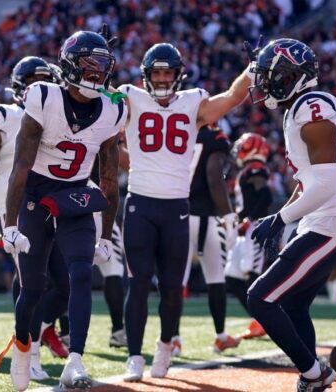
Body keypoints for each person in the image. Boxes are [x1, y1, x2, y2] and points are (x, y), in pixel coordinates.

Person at [0, 31, 125, 391]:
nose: (97, 75)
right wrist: (10, 224)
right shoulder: (43, 96)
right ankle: (22, 349)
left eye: (102, 67)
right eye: (89, 66)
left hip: (77, 194)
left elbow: (109, 177)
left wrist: (107, 235)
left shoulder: (114, 108)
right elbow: (20, 166)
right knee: (33, 287)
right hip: (36, 192)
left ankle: (75, 361)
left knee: (81, 274)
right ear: (69, 65)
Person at [244, 38, 336, 392]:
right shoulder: (299, 108)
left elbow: (327, 185)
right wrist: (288, 224)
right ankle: (315, 375)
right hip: (322, 222)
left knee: (261, 297)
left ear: (293, 77)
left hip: (335, 223)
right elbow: (308, 183)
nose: (263, 83)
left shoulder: (313, 108)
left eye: (271, 75)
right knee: (292, 304)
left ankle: (313, 374)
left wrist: (281, 220)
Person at [118, 42, 252, 382]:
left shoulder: (195, 102)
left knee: (172, 287)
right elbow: (95, 99)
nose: (162, 79)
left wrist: (252, 70)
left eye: (168, 72)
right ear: (146, 75)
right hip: (140, 203)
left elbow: (233, 97)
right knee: (138, 283)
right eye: (157, 72)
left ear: (178, 75)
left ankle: (165, 345)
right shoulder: (129, 97)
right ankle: (135, 355)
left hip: (177, 207)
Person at [0, 56, 68, 381]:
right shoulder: (7, 114)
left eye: (43, 81)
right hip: (17, 203)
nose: (39, 87)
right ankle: (28, 352)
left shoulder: (60, 114)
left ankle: (37, 332)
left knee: (66, 286)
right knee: (34, 283)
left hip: (52, 203)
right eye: (33, 81)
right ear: (20, 87)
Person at [172, 124, 241, 356]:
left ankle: (173, 338)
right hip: (205, 216)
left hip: (178, 213)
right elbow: (214, 177)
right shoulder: (215, 137)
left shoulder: (178, 128)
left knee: (177, 280)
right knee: (216, 278)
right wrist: (229, 214)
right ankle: (220, 336)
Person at [225, 132, 272, 340]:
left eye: (243, 146)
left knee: (251, 274)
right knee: (232, 277)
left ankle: (268, 319)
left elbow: (265, 196)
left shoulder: (255, 169)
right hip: (245, 228)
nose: (239, 150)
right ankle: (261, 319)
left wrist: (250, 218)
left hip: (255, 228)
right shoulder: (247, 170)